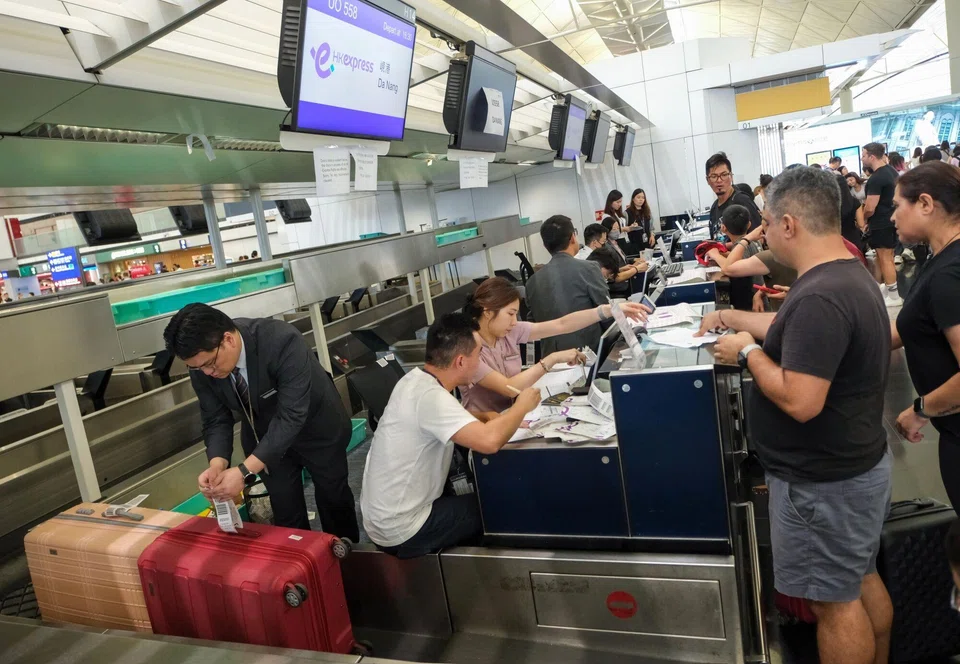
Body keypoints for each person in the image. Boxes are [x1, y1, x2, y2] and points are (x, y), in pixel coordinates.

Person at [697, 165, 892, 664]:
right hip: (855, 464)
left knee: (834, 604)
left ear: (788, 224)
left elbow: (801, 401)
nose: (763, 233)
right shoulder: (847, 274)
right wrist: (732, 318)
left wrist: (746, 352)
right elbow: (794, 330)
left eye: (766, 223)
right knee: (859, 577)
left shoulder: (820, 295)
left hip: (821, 482)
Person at [163, 303, 359, 541]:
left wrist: (244, 472)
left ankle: (346, 557)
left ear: (228, 340)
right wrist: (217, 465)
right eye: (196, 368)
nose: (207, 373)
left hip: (317, 428)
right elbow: (215, 418)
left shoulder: (281, 340)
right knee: (286, 513)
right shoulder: (202, 364)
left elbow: (291, 415)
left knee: (334, 500)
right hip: (264, 438)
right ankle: (300, 560)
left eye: (209, 364)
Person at [360, 312, 541, 558]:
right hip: (402, 528)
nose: (480, 362)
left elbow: (433, 420)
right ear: (460, 361)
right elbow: (489, 443)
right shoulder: (432, 397)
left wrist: (481, 416)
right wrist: (522, 406)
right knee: (500, 504)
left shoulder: (414, 381)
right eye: (478, 354)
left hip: (382, 517)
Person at [459, 277, 647, 414]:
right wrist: (552, 359)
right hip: (487, 429)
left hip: (516, 415)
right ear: (488, 312)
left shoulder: (509, 331)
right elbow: (509, 387)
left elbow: (561, 325)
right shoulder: (468, 348)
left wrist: (608, 310)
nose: (514, 321)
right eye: (510, 314)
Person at [888, 162, 960, 509]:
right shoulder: (941, 260)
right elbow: (913, 325)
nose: (892, 217)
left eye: (897, 206)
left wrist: (921, 409)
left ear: (926, 204)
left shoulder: (949, 274)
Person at [525, 215, 612, 356]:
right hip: (589, 353)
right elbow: (606, 312)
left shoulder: (532, 282)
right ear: (572, 238)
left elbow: (533, 324)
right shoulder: (589, 268)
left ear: (545, 245)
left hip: (552, 358)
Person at [706, 223, 798, 312]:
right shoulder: (791, 253)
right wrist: (759, 293)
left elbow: (727, 269)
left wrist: (747, 238)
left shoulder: (773, 256)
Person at [861, 142, 902, 306]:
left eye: (863, 155)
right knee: (884, 257)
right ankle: (885, 289)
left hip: (881, 222)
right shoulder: (891, 171)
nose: (862, 158)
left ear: (872, 156)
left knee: (885, 258)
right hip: (890, 219)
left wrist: (863, 219)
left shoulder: (876, 178)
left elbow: (870, 207)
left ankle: (894, 295)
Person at [705, 204, 763, 311]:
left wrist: (715, 255)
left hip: (750, 307)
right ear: (749, 224)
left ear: (723, 228)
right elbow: (743, 260)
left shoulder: (742, 246)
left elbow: (730, 268)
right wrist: (724, 254)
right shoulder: (753, 241)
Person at [706, 152, 762, 234]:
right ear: (708, 180)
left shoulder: (742, 201)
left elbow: (759, 236)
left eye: (724, 175)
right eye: (714, 176)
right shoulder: (714, 207)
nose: (719, 180)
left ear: (731, 176)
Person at [838, 172, 867, 255]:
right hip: (853, 238)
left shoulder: (830, 203)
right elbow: (861, 224)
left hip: (837, 239)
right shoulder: (854, 201)